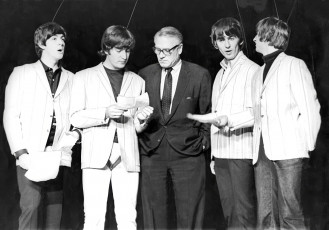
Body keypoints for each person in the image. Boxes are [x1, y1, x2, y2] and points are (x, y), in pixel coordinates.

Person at [69, 25, 153, 230]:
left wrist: (142, 120)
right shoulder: (83, 77)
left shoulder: (137, 81)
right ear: (106, 48)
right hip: (95, 155)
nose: (124, 55)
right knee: (94, 218)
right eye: (119, 49)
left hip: (127, 157)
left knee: (128, 218)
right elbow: (75, 118)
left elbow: (137, 127)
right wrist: (104, 113)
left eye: (127, 50)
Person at [3, 22, 78, 230]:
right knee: (31, 206)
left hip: (56, 155)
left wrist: (70, 140)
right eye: (54, 38)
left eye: (62, 38)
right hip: (30, 154)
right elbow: (10, 115)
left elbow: (76, 116)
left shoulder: (72, 79)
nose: (61, 42)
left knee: (55, 212)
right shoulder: (22, 73)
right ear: (41, 43)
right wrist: (20, 152)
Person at [138, 26, 212, 229]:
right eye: (157, 50)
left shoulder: (199, 74)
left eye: (167, 50)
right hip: (152, 152)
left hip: (188, 153)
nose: (161, 55)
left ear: (180, 48)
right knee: (153, 213)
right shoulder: (144, 75)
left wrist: (203, 142)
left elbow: (206, 113)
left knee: (189, 213)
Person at [250, 16, 321, 229]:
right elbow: (255, 115)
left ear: (268, 36)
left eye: (257, 35)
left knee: (291, 213)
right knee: (265, 213)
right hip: (261, 152)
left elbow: (310, 109)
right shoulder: (257, 73)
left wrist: (307, 147)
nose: (253, 39)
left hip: (289, 150)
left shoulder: (294, 65)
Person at [188, 17, 258, 229]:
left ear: (240, 40)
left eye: (231, 37)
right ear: (215, 42)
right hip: (221, 154)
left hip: (241, 152)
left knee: (243, 213)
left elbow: (258, 114)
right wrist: (214, 156)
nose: (227, 44)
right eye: (221, 39)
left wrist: (229, 120)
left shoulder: (253, 70)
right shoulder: (219, 73)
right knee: (229, 213)